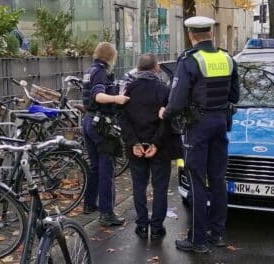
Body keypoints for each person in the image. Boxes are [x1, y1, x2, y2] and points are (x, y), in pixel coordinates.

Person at [159, 16, 240, 253]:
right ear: (211, 34)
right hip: (220, 123)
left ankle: (198, 240)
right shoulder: (227, 58)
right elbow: (234, 96)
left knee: (196, 180)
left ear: (191, 35)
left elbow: (176, 101)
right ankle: (218, 234)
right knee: (217, 179)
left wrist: (166, 113)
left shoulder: (189, 60)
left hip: (197, 126)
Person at [119, 54, 182, 240]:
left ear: (138, 69)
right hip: (160, 148)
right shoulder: (164, 90)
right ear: (156, 69)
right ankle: (156, 227)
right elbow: (167, 120)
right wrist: (156, 142)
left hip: (135, 147)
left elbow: (122, 118)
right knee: (160, 187)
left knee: (139, 186)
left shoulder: (128, 90)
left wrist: (134, 143)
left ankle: (141, 225)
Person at [82, 42, 129, 226]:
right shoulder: (101, 71)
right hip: (101, 124)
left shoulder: (90, 70)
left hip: (88, 121)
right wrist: (117, 98)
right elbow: (98, 96)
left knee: (95, 167)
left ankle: (90, 204)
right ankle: (107, 213)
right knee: (106, 169)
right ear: (110, 57)